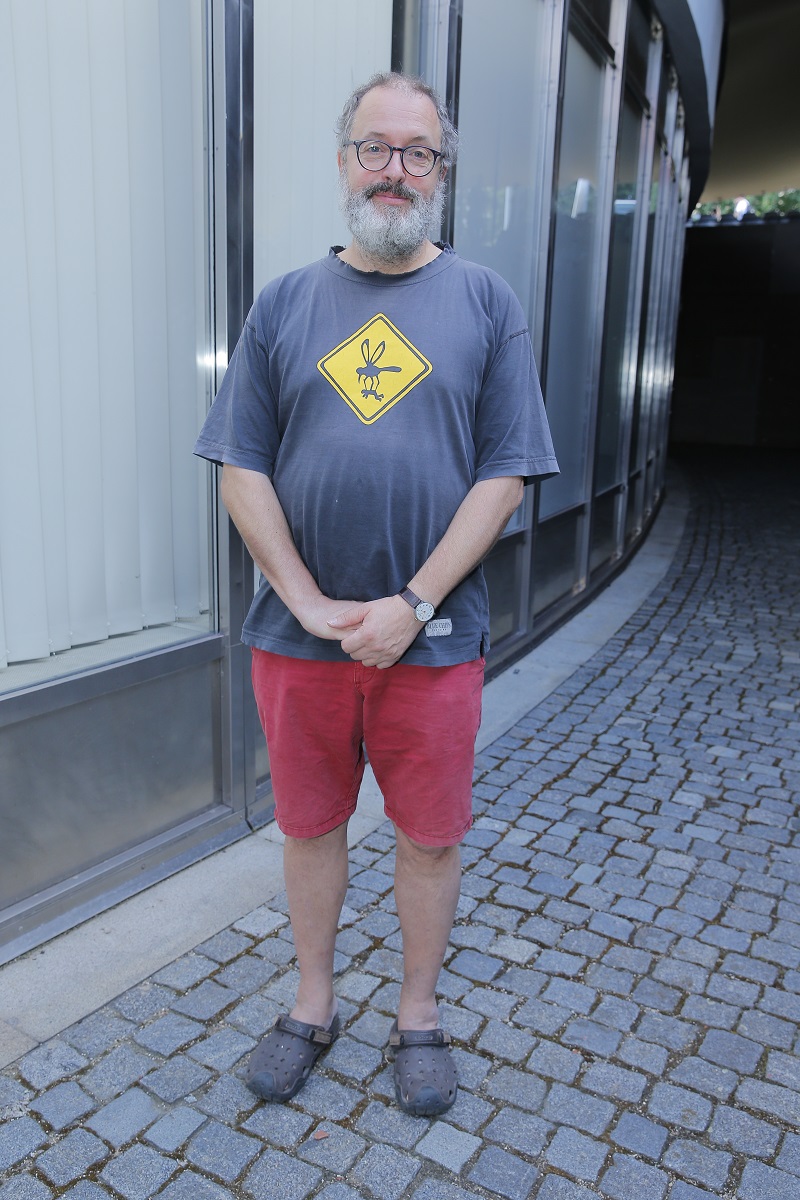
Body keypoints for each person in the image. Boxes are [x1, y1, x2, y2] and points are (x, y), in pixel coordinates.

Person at [194, 71, 558, 1117]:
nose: (395, 170)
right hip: (296, 641)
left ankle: (418, 1013)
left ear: (442, 171)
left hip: (432, 642)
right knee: (309, 829)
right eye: (376, 148)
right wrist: (308, 603)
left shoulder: (485, 301)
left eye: (418, 153)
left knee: (429, 836)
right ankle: (312, 1004)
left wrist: (413, 602)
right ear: (344, 159)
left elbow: (504, 473)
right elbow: (240, 467)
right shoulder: (283, 303)